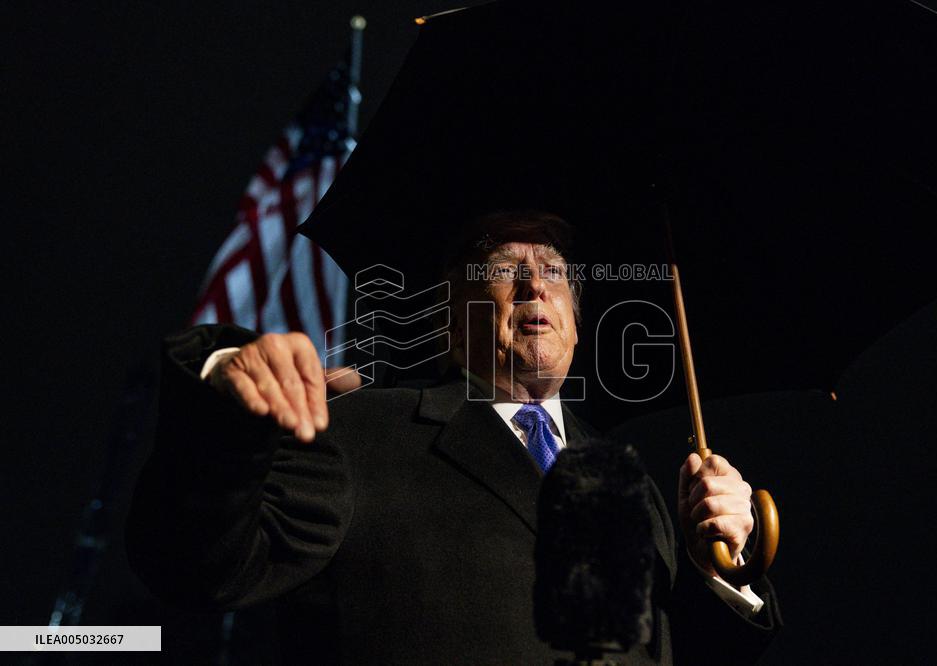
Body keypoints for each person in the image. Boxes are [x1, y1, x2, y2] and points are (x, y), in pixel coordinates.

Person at [127, 210, 781, 664]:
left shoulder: (634, 485)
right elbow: (198, 564)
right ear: (451, 322)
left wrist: (721, 571)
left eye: (554, 271)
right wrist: (230, 403)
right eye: (505, 266)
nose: (534, 283)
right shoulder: (361, 430)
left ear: (577, 325)